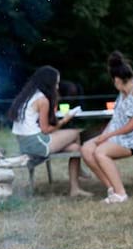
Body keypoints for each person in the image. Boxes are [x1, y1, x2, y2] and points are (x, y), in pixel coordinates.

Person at [81, 52, 133, 203]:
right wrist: (104, 135)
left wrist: (108, 136)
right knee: (86, 148)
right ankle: (112, 189)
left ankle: (121, 194)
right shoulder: (123, 93)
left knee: (100, 152)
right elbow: (116, 119)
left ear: (117, 79)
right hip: (119, 135)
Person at [8, 65, 90, 196]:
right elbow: (46, 130)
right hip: (36, 144)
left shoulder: (28, 95)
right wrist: (65, 120)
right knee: (75, 133)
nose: (57, 87)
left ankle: (75, 189)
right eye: (56, 83)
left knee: (75, 148)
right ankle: (79, 170)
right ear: (49, 83)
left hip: (24, 142)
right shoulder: (42, 99)